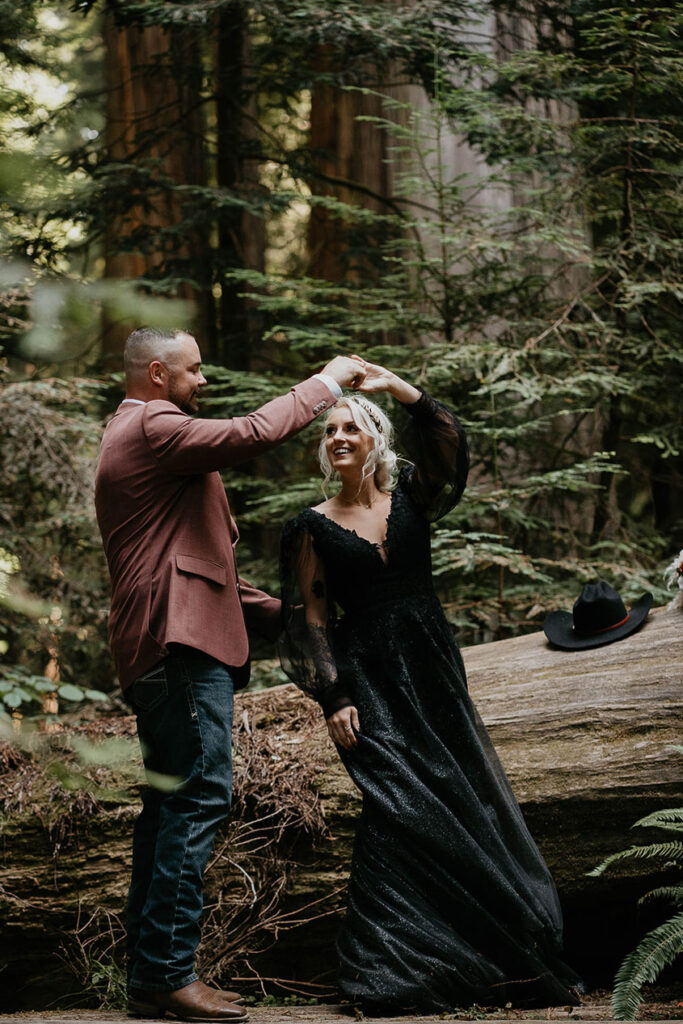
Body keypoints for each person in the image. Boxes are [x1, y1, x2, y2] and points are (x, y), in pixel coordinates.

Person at [279, 358, 582, 1013]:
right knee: (395, 804)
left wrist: (395, 388)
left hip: (433, 667)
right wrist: (335, 697)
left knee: (457, 793)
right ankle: (383, 969)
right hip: (369, 679)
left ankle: (485, 954)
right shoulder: (308, 527)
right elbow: (307, 622)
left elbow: (448, 437)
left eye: (351, 428)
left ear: (373, 438)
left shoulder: (412, 491)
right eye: (328, 430)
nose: (337, 438)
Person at [94, 326, 365, 1022]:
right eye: (193, 371)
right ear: (157, 374)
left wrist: (297, 619)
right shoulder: (154, 423)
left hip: (158, 642)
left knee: (168, 809)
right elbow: (249, 433)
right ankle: (166, 975)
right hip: (178, 648)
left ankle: (151, 976)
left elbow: (202, 572)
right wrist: (326, 382)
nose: (203, 382)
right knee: (197, 799)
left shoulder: (132, 433)